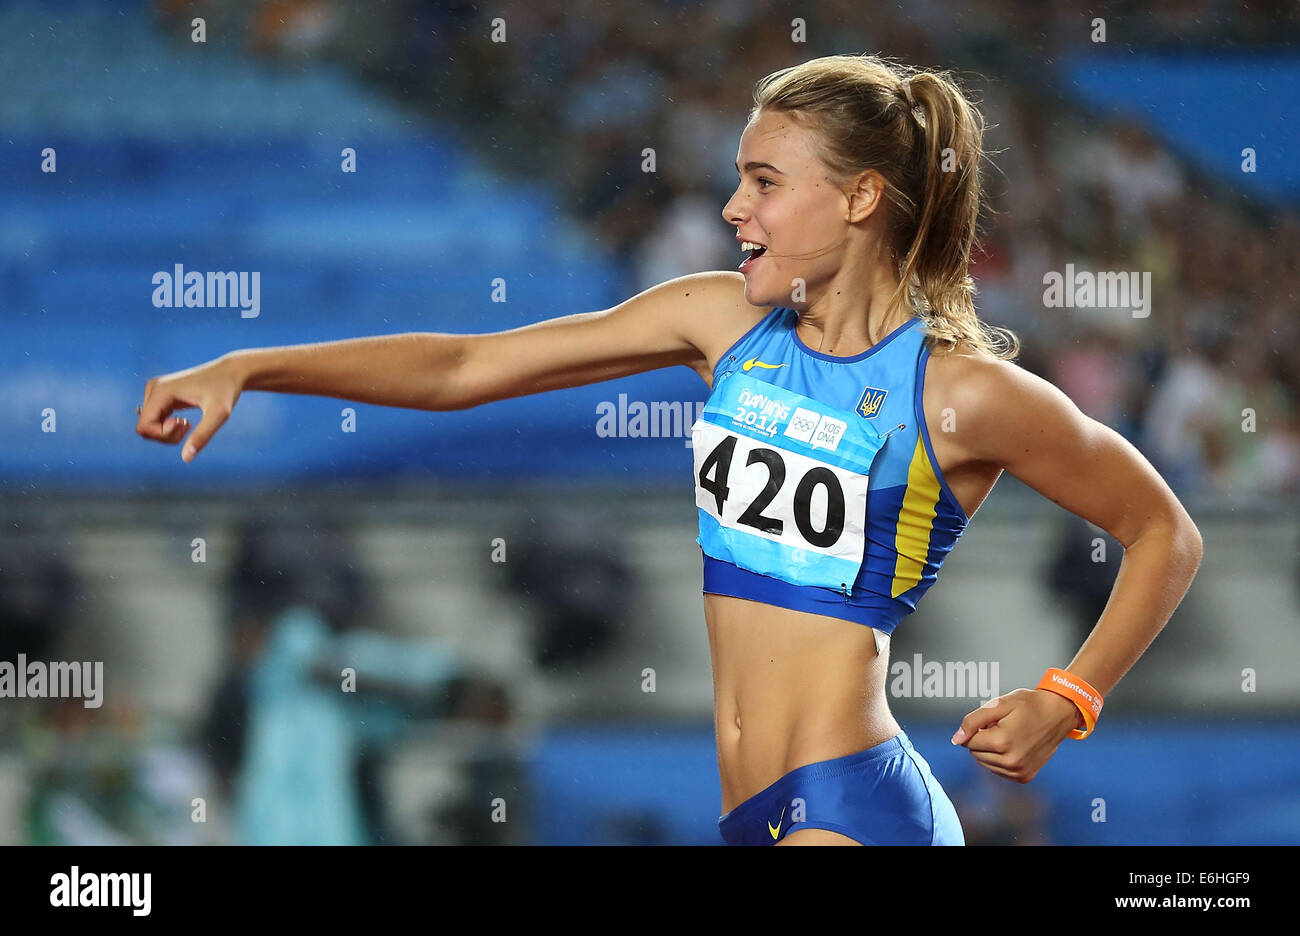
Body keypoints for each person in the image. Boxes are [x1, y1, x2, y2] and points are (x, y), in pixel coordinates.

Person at [135, 54, 1203, 846]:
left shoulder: (963, 393)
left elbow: (1163, 531)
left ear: (862, 197)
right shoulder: (716, 325)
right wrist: (256, 363)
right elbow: (464, 369)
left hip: (856, 802)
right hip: (749, 807)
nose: (733, 207)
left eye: (764, 182)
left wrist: (1067, 699)